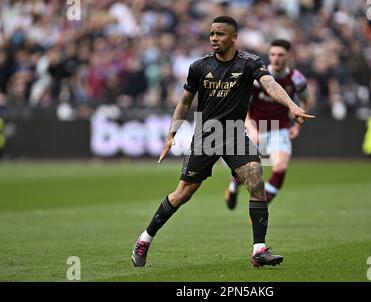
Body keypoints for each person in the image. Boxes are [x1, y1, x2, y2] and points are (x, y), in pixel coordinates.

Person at [131, 16, 315, 268]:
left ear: (233, 37)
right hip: (208, 134)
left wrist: (293, 106)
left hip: (235, 133)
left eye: (219, 34)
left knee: (255, 179)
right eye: (211, 34)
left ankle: (259, 250)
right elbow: (185, 102)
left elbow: (270, 84)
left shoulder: (250, 62)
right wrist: (171, 134)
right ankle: (145, 238)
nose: (214, 39)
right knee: (183, 194)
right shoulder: (198, 67)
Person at [224, 39, 311, 209]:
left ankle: (262, 206)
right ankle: (233, 187)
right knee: (249, 171)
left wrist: (297, 126)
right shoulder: (258, 77)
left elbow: (307, 100)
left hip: (279, 130)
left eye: (280, 55)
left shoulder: (296, 78)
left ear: (288, 56)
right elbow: (243, 104)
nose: (276, 58)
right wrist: (249, 126)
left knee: (280, 167)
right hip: (256, 128)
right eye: (272, 54)